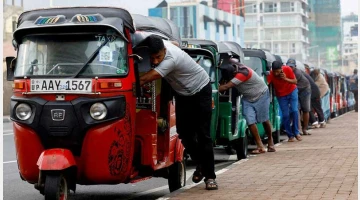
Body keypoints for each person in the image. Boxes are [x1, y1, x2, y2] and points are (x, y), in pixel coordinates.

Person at [139, 35, 217, 190]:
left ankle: (210, 177)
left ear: (165, 51)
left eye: (158, 57)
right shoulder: (165, 44)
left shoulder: (171, 59)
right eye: (152, 58)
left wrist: (128, 81)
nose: (155, 61)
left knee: (203, 135)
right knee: (184, 133)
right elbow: (173, 42)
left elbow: (150, 77)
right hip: (183, 94)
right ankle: (201, 165)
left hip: (201, 90)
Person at [218, 59, 276, 153]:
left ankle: (270, 141)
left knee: (264, 119)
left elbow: (225, 86)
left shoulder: (242, 74)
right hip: (248, 98)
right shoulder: (233, 67)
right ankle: (260, 146)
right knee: (250, 121)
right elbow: (223, 81)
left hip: (261, 95)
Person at [268, 61, 302, 142]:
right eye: (274, 71)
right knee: (285, 115)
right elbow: (267, 83)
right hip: (281, 95)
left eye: (278, 71)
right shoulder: (271, 74)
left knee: (294, 110)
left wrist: (285, 78)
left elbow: (295, 81)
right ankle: (290, 135)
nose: (276, 73)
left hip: (292, 91)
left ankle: (296, 132)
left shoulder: (287, 69)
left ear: (281, 69)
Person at [286, 59, 311, 135]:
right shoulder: (285, 71)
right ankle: (298, 129)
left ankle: (305, 129)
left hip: (304, 89)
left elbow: (291, 82)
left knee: (305, 109)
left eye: (292, 67)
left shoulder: (297, 73)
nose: (290, 68)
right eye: (288, 66)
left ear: (295, 67)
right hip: (295, 90)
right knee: (296, 109)